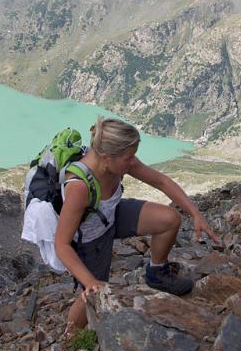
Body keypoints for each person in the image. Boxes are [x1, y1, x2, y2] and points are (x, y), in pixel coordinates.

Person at [55, 117, 221, 329]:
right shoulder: (79, 187)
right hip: (91, 241)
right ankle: (72, 333)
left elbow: (161, 181)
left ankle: (157, 273)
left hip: (112, 216)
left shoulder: (118, 162)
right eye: (128, 157)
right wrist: (89, 281)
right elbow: (61, 244)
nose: (133, 161)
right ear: (106, 158)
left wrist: (195, 213)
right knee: (94, 292)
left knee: (169, 219)